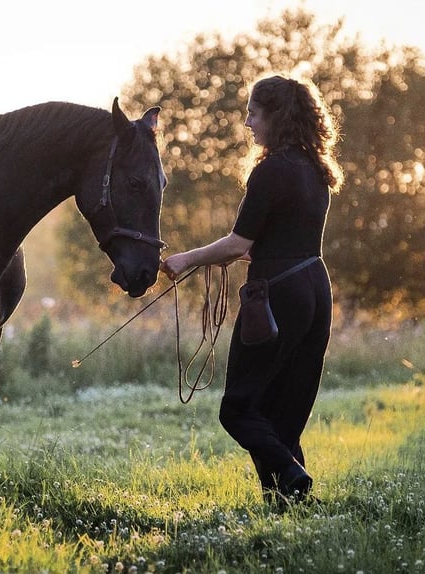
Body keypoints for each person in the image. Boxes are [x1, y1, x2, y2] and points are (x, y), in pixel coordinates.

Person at [160, 74, 344, 508]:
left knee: (239, 409)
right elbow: (269, 244)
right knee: (283, 412)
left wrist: (186, 258)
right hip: (315, 287)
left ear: (274, 117)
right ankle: (290, 505)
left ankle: (293, 475)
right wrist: (220, 256)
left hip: (277, 293)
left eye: (253, 113)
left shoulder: (270, 170)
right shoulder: (317, 170)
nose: (247, 123)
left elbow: (239, 244)